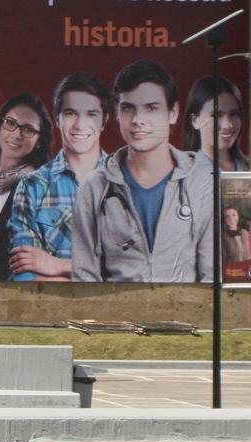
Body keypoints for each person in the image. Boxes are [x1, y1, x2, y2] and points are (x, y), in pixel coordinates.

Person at [70, 60, 212, 283]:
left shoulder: (202, 183)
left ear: (173, 113)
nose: (137, 120)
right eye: (128, 108)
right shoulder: (94, 187)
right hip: (116, 316)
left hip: (184, 315)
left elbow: (210, 276)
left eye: (151, 108)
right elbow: (84, 275)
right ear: (117, 113)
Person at [7, 73, 110, 281]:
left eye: (91, 114)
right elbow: (24, 275)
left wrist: (57, 265)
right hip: (51, 312)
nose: (80, 125)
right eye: (71, 113)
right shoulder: (32, 186)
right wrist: (94, 275)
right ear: (57, 119)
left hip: (119, 313)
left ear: (104, 121)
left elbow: (135, 271)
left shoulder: (127, 182)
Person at [0, 94, 51, 280]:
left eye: (28, 129)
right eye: (11, 123)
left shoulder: (38, 187)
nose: (17, 134)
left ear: (39, 141)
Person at [184, 74, 250, 172]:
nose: (228, 125)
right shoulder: (185, 173)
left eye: (234, 114)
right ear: (195, 120)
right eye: (216, 115)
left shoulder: (250, 167)